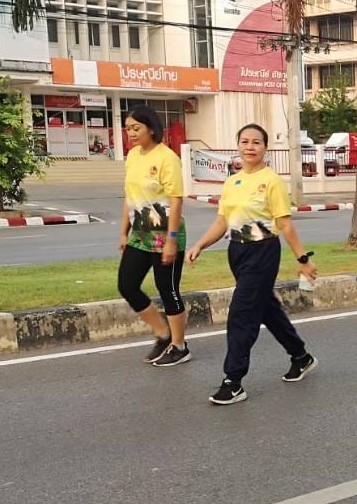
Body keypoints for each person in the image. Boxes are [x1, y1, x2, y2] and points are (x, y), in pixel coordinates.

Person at [186, 124, 318, 404]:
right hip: (237, 251)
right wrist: (199, 244)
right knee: (266, 308)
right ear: (237, 146)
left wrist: (303, 259)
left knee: (242, 313)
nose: (250, 146)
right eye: (244, 141)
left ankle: (233, 381)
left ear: (265, 148)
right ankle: (301, 356)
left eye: (256, 142)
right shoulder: (232, 181)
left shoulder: (272, 181)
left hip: (263, 251)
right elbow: (222, 222)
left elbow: (284, 224)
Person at [118, 105, 190, 367]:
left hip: (165, 235)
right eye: (127, 129)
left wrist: (171, 240)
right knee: (127, 285)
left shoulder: (167, 158)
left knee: (167, 289)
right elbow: (130, 197)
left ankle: (180, 346)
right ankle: (162, 333)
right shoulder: (133, 156)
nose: (131, 133)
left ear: (151, 128)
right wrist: (123, 231)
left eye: (136, 128)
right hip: (140, 234)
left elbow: (176, 201)